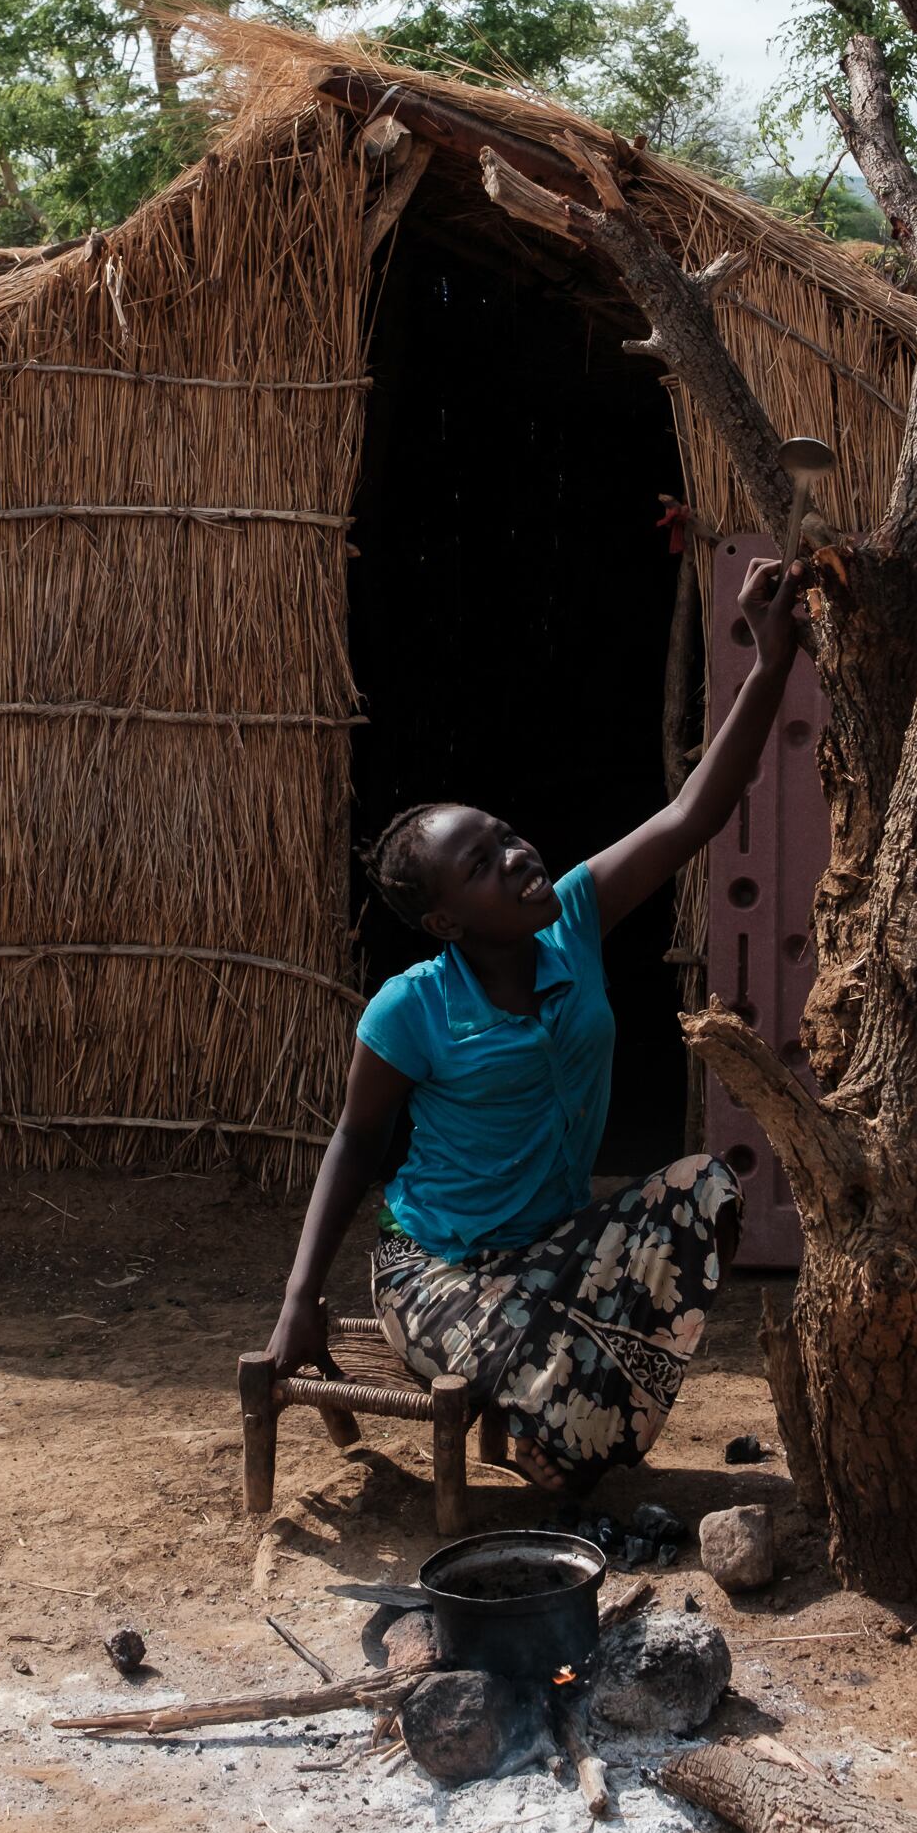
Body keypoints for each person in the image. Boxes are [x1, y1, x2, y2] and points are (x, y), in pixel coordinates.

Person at [261, 558, 808, 1498]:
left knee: (706, 1194)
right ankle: (560, 1424)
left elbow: (694, 814)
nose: (514, 855)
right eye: (480, 864)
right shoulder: (412, 1006)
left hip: (555, 1258)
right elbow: (356, 1140)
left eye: (504, 834)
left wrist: (768, 666)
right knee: (562, 1380)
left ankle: (558, 1422)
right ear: (446, 922)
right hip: (439, 1273)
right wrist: (300, 1296)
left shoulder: (575, 914)